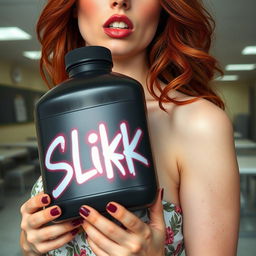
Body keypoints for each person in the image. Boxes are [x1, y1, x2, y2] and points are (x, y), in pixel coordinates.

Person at [20, 0, 240, 255]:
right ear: (74, 6)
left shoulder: (200, 123)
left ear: (163, 7)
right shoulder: (57, 113)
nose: (120, 1)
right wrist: (31, 244)